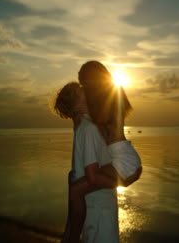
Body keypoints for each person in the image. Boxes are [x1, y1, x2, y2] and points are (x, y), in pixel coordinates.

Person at [52, 81, 141, 243]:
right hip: (100, 211)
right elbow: (92, 175)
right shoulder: (89, 129)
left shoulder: (85, 127)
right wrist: (124, 180)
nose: (86, 90)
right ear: (76, 103)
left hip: (95, 208)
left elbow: (75, 177)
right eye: (81, 91)